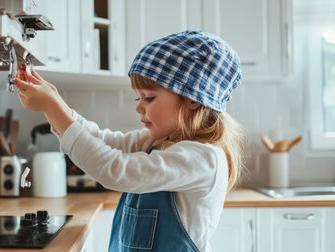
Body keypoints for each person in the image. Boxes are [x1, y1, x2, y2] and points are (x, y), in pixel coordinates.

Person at [14, 30, 247, 252]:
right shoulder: (158, 142)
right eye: (139, 97)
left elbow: (115, 170)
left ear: (193, 100)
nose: (139, 106)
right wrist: (56, 105)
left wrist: (54, 109)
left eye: (149, 98)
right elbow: (104, 141)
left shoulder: (202, 158)